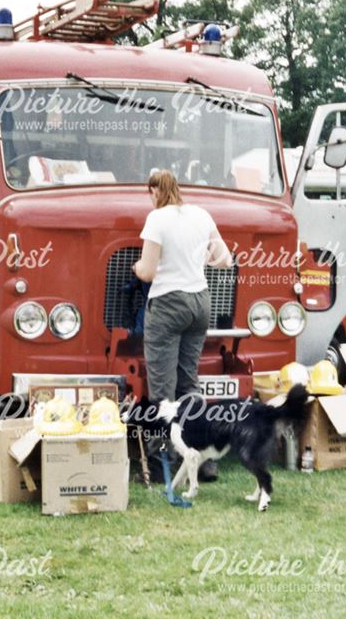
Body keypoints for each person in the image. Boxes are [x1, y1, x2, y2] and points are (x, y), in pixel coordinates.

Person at [133, 170, 233, 478]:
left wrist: (136, 267)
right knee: (190, 383)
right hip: (200, 302)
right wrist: (197, 261)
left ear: (154, 192)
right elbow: (225, 259)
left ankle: (161, 460)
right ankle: (205, 459)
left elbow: (148, 273)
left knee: (162, 388)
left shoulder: (157, 219)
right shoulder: (201, 215)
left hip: (168, 304)